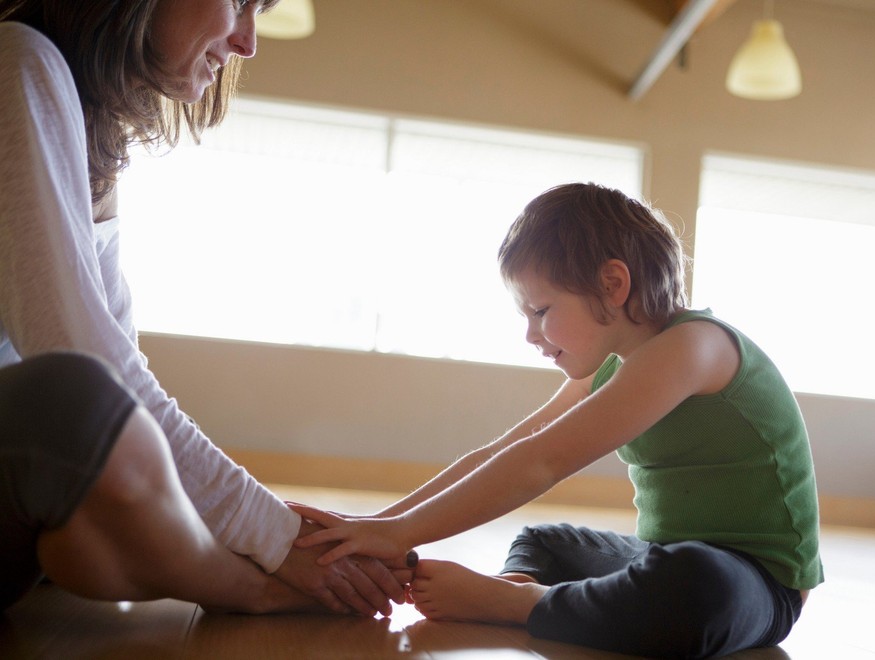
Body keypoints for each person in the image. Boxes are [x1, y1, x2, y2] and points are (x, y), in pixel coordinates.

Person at [289, 182, 825, 658]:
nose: (531, 335)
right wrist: (381, 528)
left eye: (541, 311)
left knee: (694, 583)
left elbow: (544, 461)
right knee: (545, 540)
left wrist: (398, 532)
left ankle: (520, 603)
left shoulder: (693, 346)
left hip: (756, 583)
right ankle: (529, 591)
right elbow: (509, 449)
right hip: (660, 556)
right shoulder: (615, 365)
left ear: (613, 285)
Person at [0, 0, 412, 615]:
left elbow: (118, 361)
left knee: (106, 491)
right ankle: (247, 587)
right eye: (242, 2)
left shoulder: (91, 135)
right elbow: (78, 357)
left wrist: (271, 531)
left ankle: (201, 561)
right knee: (78, 402)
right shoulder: (18, 59)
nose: (247, 42)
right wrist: (275, 539)